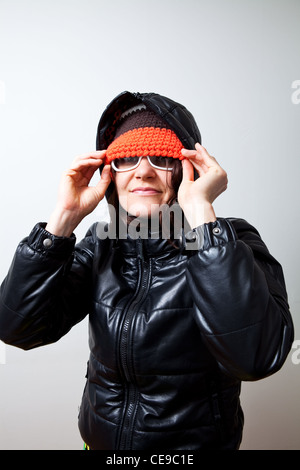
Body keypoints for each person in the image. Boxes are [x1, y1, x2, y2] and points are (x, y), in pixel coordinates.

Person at [0, 91, 294, 450]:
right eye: (126, 159)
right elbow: (17, 328)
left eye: (161, 157)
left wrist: (202, 215)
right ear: (110, 173)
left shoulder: (230, 241)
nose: (142, 170)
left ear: (189, 170)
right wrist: (63, 219)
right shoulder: (100, 244)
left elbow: (257, 357)